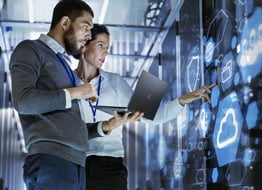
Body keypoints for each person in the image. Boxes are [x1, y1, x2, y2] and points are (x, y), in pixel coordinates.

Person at [74, 24, 215, 190]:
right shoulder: (67, 83)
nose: (106, 52)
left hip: (110, 166)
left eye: (107, 47)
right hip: (76, 164)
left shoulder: (115, 82)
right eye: (100, 46)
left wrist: (182, 100)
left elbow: (153, 116)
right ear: (84, 45)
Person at [9, 0, 97, 189]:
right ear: (65, 23)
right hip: (52, 161)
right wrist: (75, 93)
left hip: (77, 165)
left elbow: (69, 124)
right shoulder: (30, 49)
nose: (89, 35)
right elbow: (23, 101)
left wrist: (105, 127)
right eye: (85, 26)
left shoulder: (65, 66)